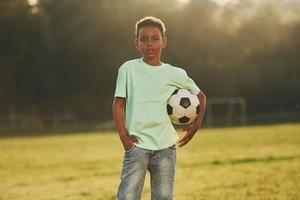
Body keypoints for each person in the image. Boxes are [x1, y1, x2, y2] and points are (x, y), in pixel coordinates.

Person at [112, 16, 206, 200]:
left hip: (165, 147)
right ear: (136, 44)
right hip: (136, 146)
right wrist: (125, 138)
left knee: (163, 197)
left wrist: (196, 126)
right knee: (127, 197)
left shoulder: (175, 73)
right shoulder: (128, 69)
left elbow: (201, 97)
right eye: (144, 39)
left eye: (155, 38)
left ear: (164, 42)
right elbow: (118, 104)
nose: (150, 44)